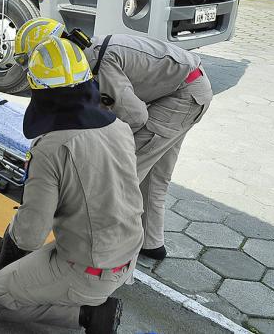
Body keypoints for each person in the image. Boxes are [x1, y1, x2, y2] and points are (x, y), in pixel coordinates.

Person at [0, 35, 143, 334]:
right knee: (40, 265)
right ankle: (79, 296)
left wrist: (7, 246)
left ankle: (89, 316)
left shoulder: (50, 148)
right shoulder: (119, 127)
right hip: (127, 255)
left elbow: (29, 236)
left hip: (89, 269)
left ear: (39, 92)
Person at [81, 33, 212, 261]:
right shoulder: (97, 45)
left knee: (123, 176)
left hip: (182, 97)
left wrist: (104, 145)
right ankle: (152, 244)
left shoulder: (103, 61)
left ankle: (107, 251)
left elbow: (135, 116)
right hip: (193, 89)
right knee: (155, 176)